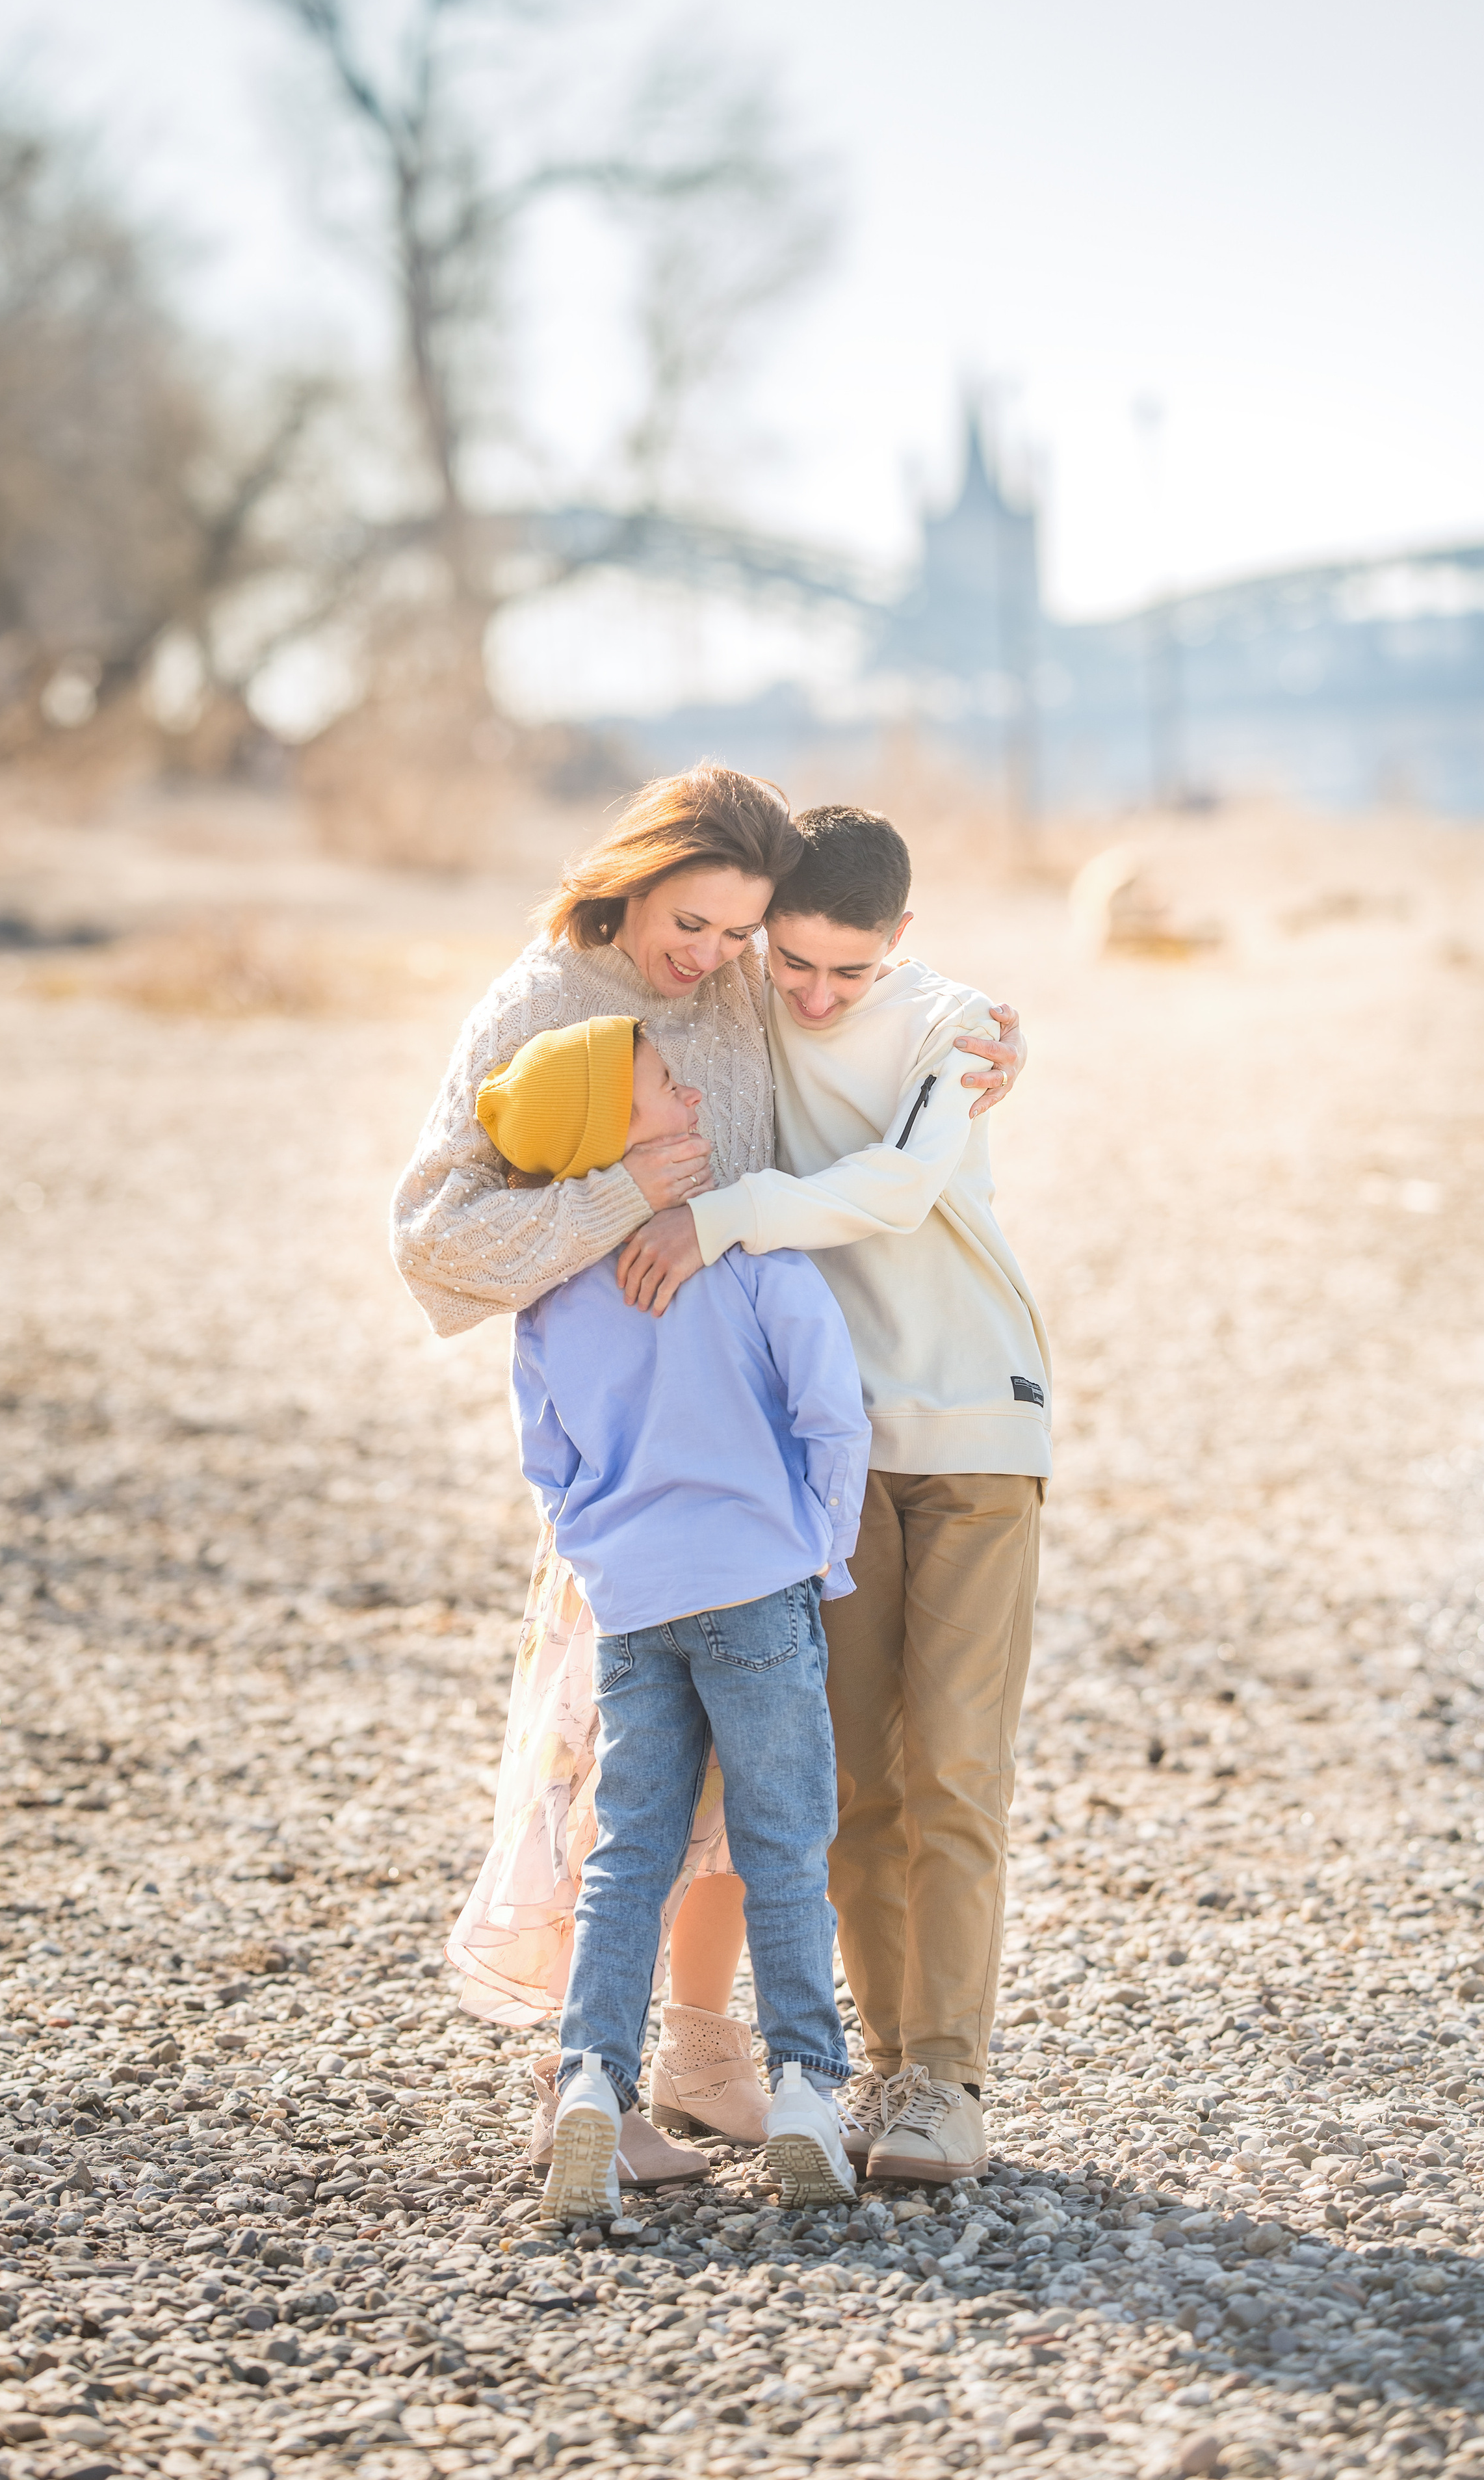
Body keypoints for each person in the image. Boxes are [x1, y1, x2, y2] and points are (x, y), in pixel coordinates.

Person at [389, 763, 1025, 2159]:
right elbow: (436, 1236)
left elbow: (856, 981)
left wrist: (971, 1038)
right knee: (618, 1784)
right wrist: (633, 1192)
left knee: (746, 1791)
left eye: (738, 933)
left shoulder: (746, 983)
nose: (716, 961)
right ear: (632, 879)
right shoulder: (540, 1003)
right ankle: (592, 2081)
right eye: (693, 926)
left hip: (757, 1456)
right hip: (629, 1468)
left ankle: (706, 2052)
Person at [616, 805, 1050, 2184]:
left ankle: (953, 2084)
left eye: (845, 974)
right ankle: (883, 2076)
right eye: (792, 963)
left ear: (898, 947)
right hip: (834, 1449)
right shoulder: (741, 997)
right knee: (854, 1776)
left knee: (956, 1771)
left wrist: (720, 1219)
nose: (813, 996)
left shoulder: (948, 1026)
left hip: (981, 1427)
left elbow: (904, 1186)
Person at [475, 1013, 870, 2219]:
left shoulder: (547, 1298)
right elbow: (834, 1417)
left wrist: (610, 1564)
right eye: (661, 1083)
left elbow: (550, 1468)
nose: (690, 1095)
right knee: (784, 1847)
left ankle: (593, 2078)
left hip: (636, 1605)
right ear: (612, 1129)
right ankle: (806, 2086)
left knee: (629, 1852)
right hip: (759, 1582)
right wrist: (819, 1553)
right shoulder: (746, 1253)